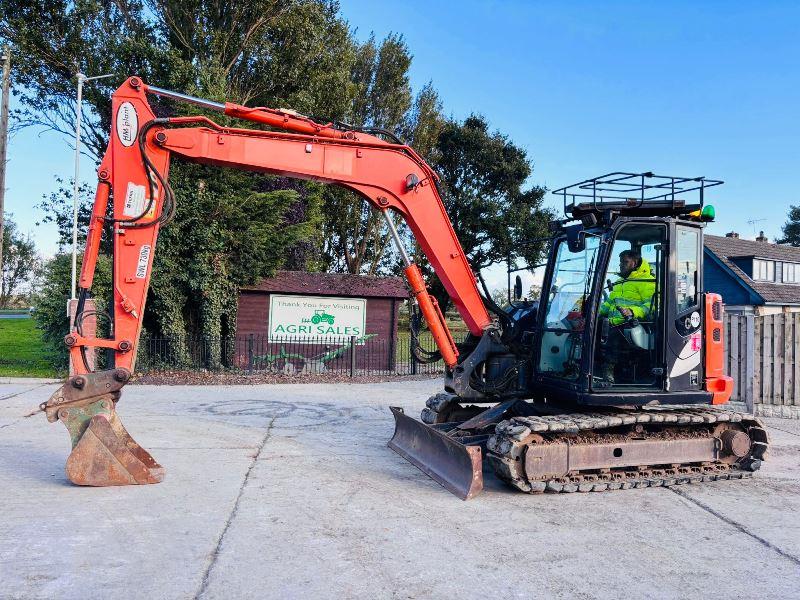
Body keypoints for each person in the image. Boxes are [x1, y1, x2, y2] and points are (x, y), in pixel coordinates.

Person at [597, 250, 656, 383]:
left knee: (614, 333)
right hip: (614, 321)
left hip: (635, 322)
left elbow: (652, 305)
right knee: (591, 327)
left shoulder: (647, 281)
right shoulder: (620, 282)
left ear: (634, 263)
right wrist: (594, 313)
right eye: (620, 262)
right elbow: (608, 304)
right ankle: (585, 367)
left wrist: (632, 311)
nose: (621, 265)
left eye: (625, 262)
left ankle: (608, 372)